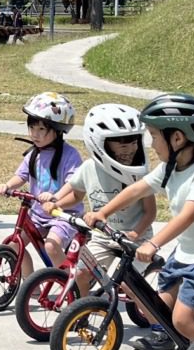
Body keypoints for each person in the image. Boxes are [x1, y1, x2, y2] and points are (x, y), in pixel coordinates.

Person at [87, 93, 194, 350]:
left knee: (182, 321)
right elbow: (137, 189)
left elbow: (187, 216)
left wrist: (154, 243)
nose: (151, 144)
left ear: (177, 138)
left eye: (154, 136)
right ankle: (181, 341)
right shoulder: (169, 168)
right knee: (153, 307)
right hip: (186, 255)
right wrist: (103, 213)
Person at [45, 102, 154, 294]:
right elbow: (76, 193)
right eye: (121, 142)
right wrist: (56, 202)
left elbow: (150, 211)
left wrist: (135, 234)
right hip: (103, 237)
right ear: (99, 142)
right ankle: (82, 310)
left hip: (135, 238)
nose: (129, 148)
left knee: (130, 286)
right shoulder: (89, 168)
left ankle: (157, 323)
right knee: (80, 274)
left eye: (133, 141)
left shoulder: (139, 175)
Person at [0, 92, 82, 272]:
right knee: (14, 245)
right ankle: (31, 285)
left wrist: (55, 197)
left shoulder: (70, 155)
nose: (35, 134)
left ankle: (69, 284)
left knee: (51, 247)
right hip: (38, 215)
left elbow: (73, 184)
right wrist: (7, 186)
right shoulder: (33, 154)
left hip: (63, 214)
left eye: (41, 129)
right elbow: (21, 176)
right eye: (32, 128)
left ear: (57, 130)